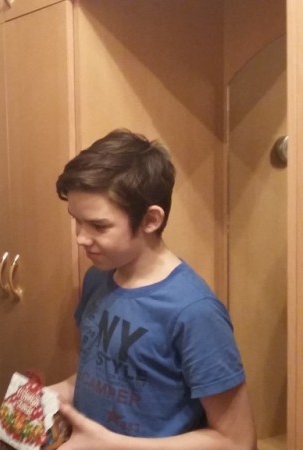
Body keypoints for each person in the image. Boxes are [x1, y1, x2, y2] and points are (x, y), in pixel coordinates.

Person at [48, 129, 256, 449]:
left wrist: (109, 445)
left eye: (99, 226)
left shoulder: (194, 311)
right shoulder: (97, 279)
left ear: (151, 220)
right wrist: (59, 393)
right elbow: (111, 380)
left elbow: (237, 440)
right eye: (77, 220)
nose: (81, 238)